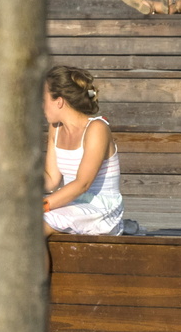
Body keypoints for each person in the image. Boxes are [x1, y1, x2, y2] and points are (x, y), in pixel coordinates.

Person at [42, 66, 124, 236]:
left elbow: (82, 184)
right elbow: (51, 180)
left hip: (101, 209)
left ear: (59, 101)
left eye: (43, 99)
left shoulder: (96, 129)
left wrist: (42, 206)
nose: (41, 106)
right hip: (70, 203)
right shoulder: (55, 128)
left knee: (32, 227)